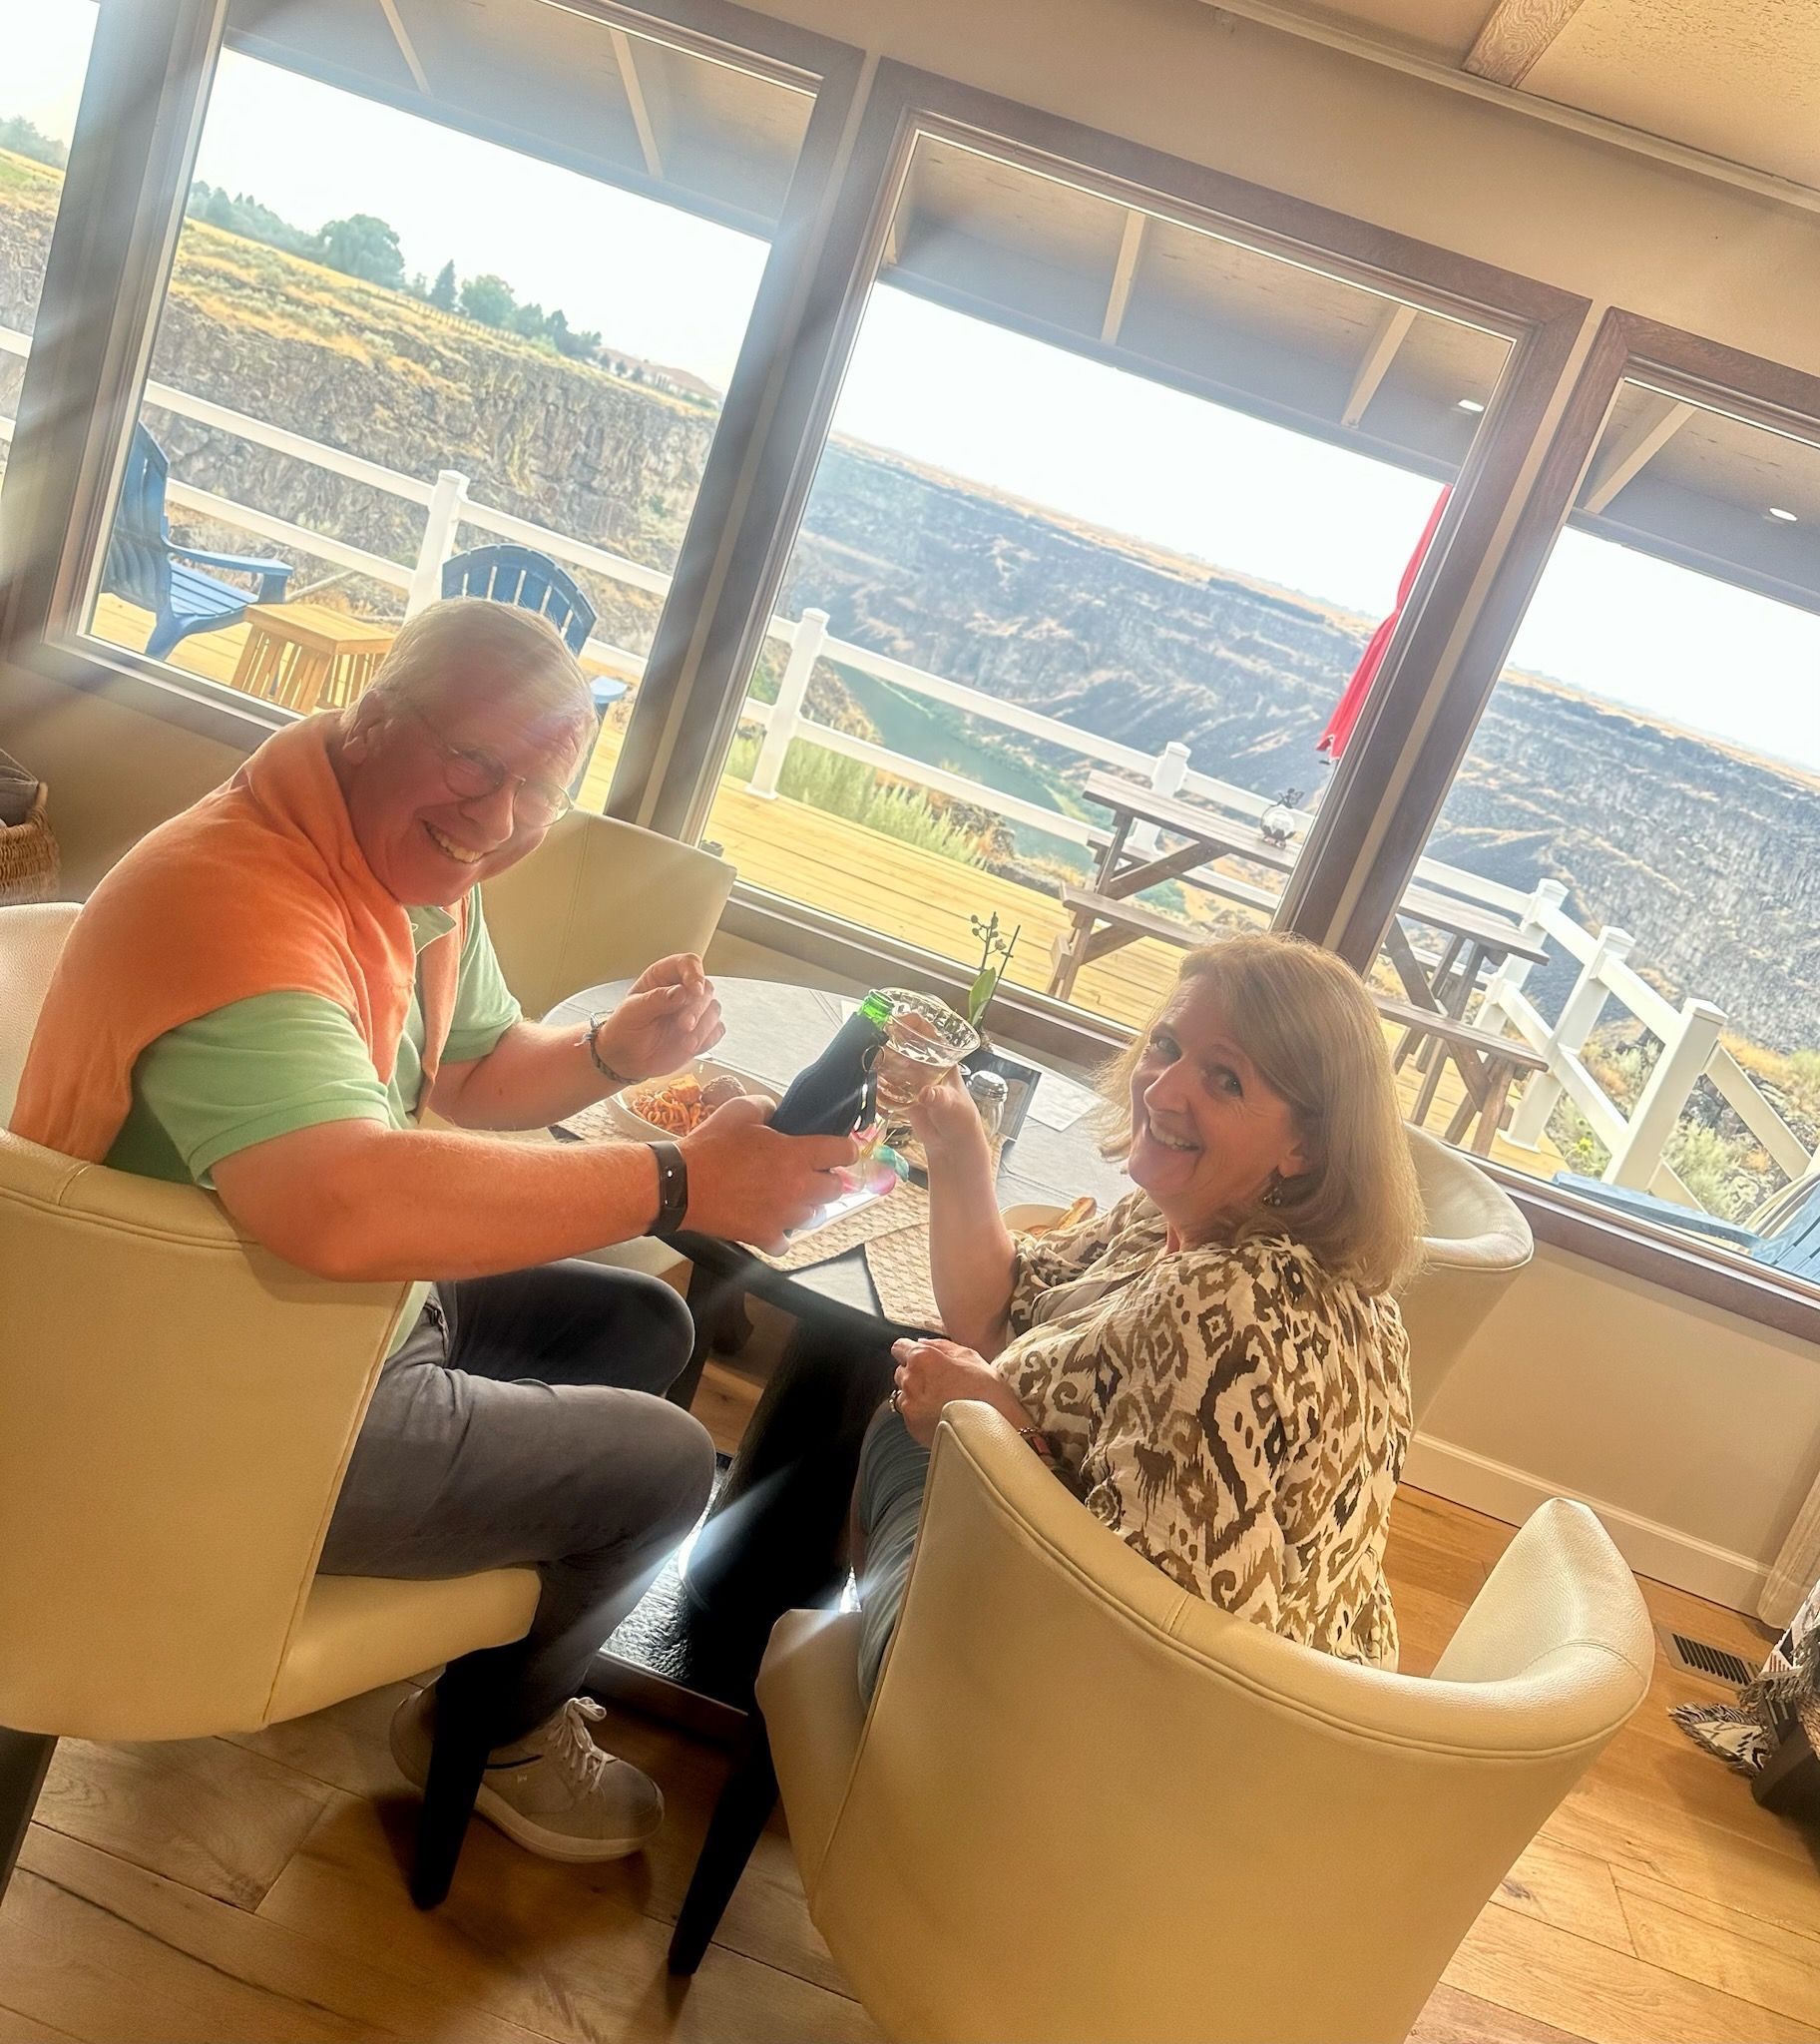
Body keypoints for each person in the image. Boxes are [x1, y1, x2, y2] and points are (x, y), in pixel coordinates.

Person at [9, 598, 859, 1860]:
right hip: (199, 1395)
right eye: (472, 759)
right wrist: (680, 1182)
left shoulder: (396, 864)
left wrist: (611, 1049)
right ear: (368, 722)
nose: (498, 816)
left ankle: (464, 1647)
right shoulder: (246, 908)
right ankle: (500, 1731)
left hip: (293, 1310)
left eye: (536, 786)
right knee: (670, 1466)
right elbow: (340, 1205)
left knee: (642, 1319)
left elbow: (466, 1069)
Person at [852, 932, 1424, 1699]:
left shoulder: (1220, 1306)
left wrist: (998, 1421)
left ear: (1305, 1146)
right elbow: (997, 1312)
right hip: (1317, 1716)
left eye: (1225, 1080)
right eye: (1167, 1045)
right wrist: (958, 1144)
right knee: (907, 1405)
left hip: (1142, 1739)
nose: (1161, 1089)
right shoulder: (1193, 1229)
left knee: (886, 1415)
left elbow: (1149, 1639)